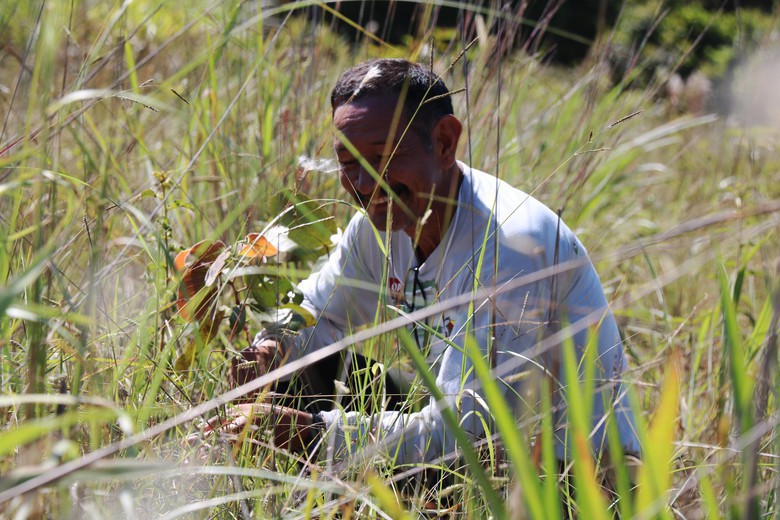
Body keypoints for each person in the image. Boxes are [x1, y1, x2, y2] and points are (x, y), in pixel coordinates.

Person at [211, 58, 640, 469]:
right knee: (292, 372)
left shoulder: (511, 247)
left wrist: (317, 435)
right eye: (347, 163)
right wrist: (271, 348)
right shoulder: (378, 229)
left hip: (569, 479)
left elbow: (473, 437)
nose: (364, 183)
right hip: (471, 435)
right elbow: (315, 313)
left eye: (382, 157)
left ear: (445, 142)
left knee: (321, 425)